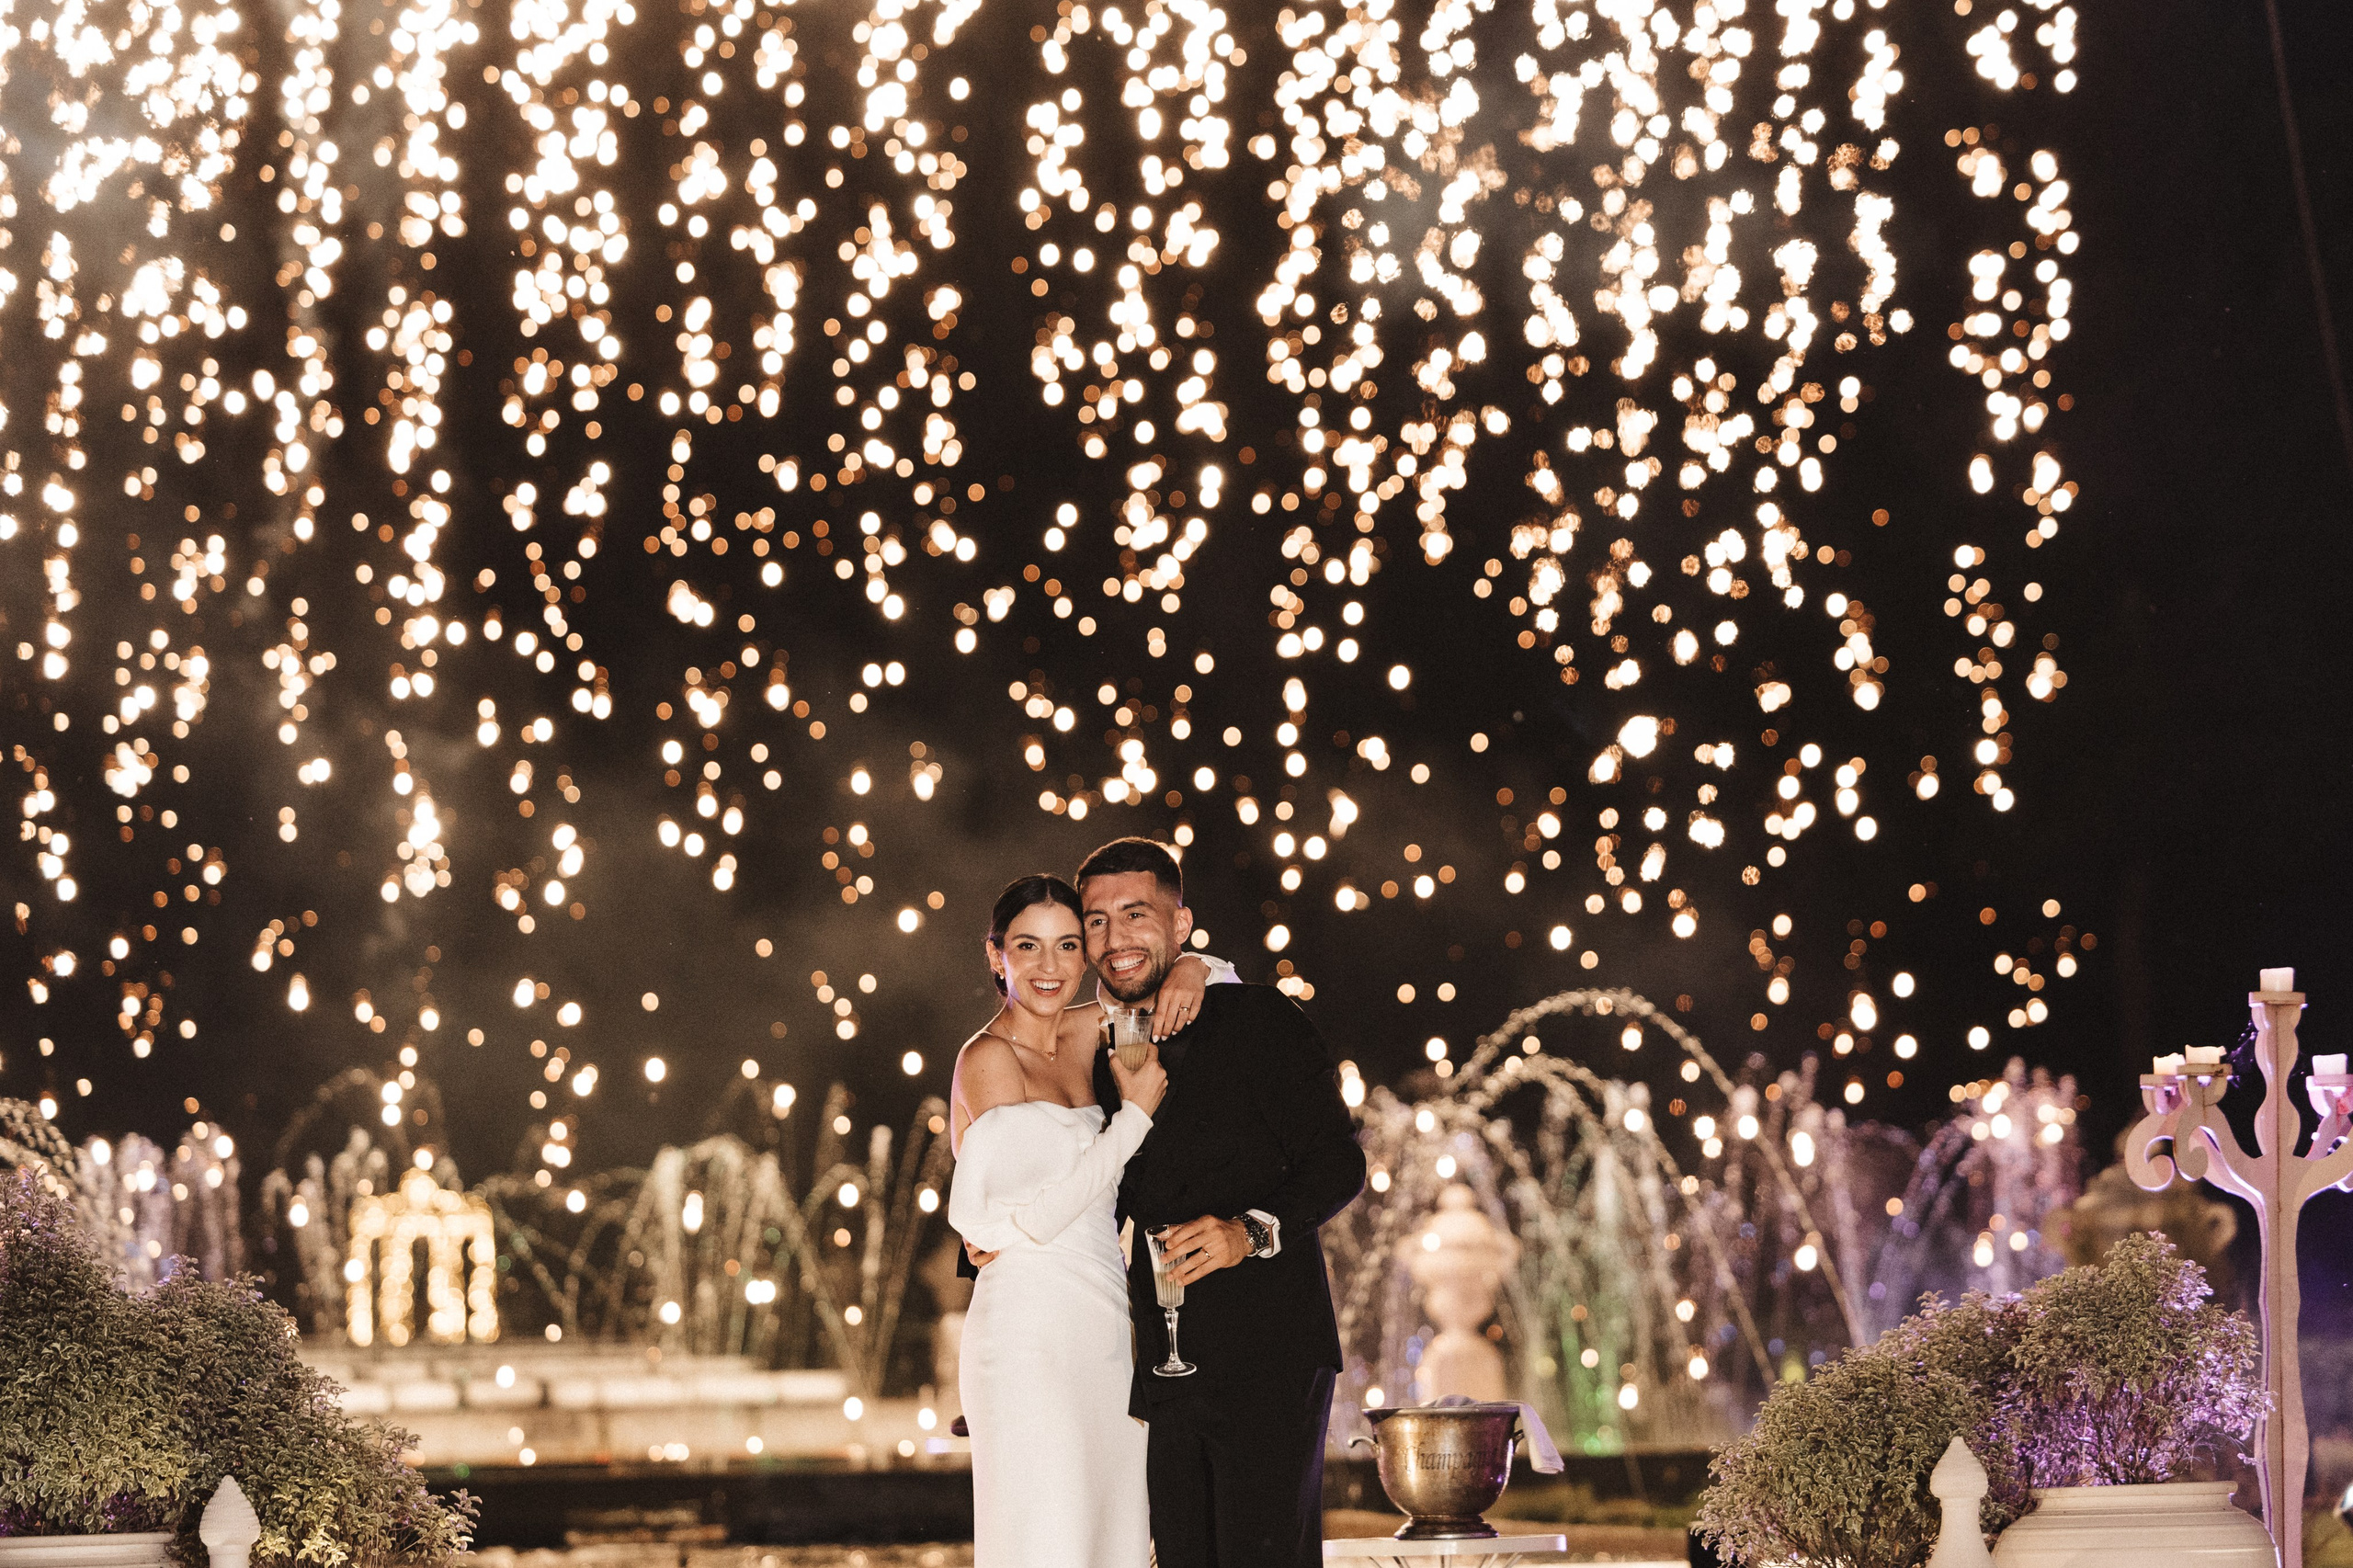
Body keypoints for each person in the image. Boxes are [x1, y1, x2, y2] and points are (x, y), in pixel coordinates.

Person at [1078, 836, 1367, 1568]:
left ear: (1181, 926)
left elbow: (1339, 1162)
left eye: (1136, 914)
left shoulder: (1262, 1021)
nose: (1116, 939)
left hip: (1270, 1356)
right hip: (1164, 1373)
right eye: (1098, 920)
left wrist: (1249, 1232)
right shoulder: (1089, 1050)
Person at [944, 874, 1222, 1568]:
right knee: (1051, 1534)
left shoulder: (1088, 1029)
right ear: (995, 955)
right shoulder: (987, 1059)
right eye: (1027, 947)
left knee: (1114, 1537)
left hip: (1104, 1332)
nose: (1049, 967)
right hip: (1028, 1335)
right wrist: (1133, 1119)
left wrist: (1191, 963)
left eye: (1068, 945)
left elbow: (1212, 980)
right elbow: (1034, 1216)